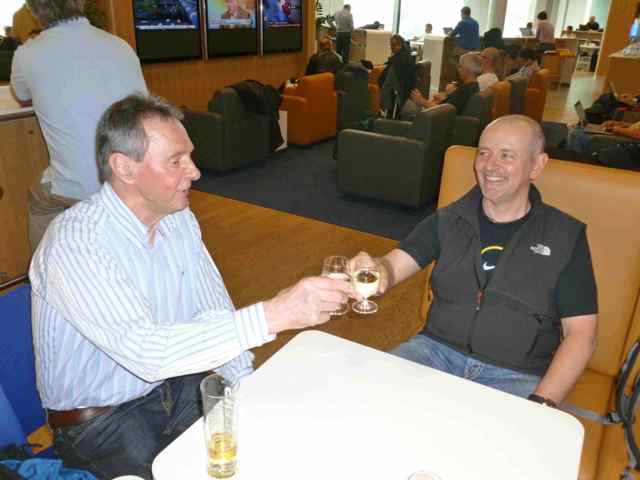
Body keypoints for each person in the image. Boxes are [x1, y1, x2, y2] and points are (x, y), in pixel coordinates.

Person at [30, 93, 354, 480]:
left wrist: (245, 389)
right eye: (176, 161)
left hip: (176, 384)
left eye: (190, 157)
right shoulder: (76, 242)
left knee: (269, 444)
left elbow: (213, 311)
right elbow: (147, 353)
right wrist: (276, 314)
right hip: (102, 422)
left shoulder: (177, 218)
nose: (195, 172)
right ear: (124, 168)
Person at [351, 115, 598, 405]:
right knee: (366, 397)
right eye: (484, 153)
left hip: (516, 375)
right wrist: (374, 269)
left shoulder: (565, 236)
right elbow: (392, 267)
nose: (490, 166)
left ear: (537, 165)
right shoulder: (448, 219)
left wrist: (542, 403)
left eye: (507, 155)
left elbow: (581, 334)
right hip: (435, 352)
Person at [11, 0, 147, 252]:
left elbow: (21, 96)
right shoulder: (121, 46)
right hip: (138, 177)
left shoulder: (27, 54)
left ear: (32, 10)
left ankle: (45, 269)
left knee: (39, 203)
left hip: (82, 185)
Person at [409, 52, 481, 114]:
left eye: (460, 67)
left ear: (467, 70)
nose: (458, 69)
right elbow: (452, 104)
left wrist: (421, 101)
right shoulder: (474, 86)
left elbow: (444, 112)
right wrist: (445, 98)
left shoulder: (465, 91)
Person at [378, 34, 416, 117]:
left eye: (393, 45)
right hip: (407, 90)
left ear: (399, 45)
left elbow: (387, 84)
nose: (391, 48)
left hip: (398, 92)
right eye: (391, 45)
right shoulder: (407, 56)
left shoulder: (397, 62)